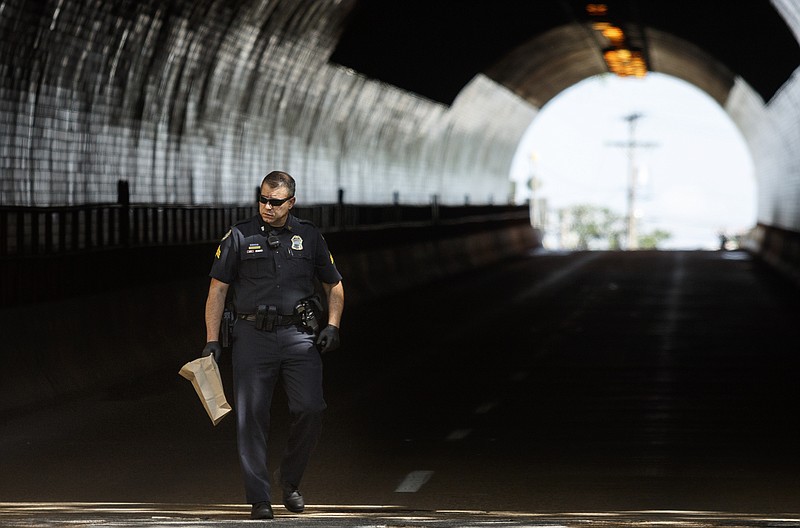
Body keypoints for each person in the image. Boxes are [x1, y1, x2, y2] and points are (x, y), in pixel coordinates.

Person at [202, 171, 344, 520]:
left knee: (310, 409)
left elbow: (334, 286)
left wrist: (333, 326)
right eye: (263, 199)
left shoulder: (309, 237)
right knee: (251, 417)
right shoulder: (239, 236)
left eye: (275, 201)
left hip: (299, 336)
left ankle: (290, 481)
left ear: (291, 203)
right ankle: (259, 498)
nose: (267, 206)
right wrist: (212, 340)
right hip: (252, 336)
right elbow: (217, 289)